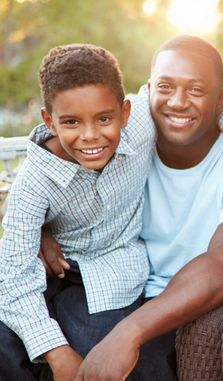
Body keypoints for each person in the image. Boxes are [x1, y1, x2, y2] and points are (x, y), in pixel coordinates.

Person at [67, 35, 223, 380]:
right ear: (149, 91)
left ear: (220, 100)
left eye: (196, 90)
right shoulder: (122, 135)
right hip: (119, 285)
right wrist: (41, 227)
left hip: (189, 303)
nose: (178, 102)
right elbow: (62, 135)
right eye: (166, 87)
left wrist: (128, 333)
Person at [0, 44, 153, 380]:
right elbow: (13, 274)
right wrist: (55, 352)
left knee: (91, 344)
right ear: (48, 121)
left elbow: (186, 94)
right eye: (71, 122)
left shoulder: (142, 122)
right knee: (6, 340)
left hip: (114, 270)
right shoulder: (35, 179)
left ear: (125, 113)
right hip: (54, 269)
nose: (90, 135)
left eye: (104, 119)